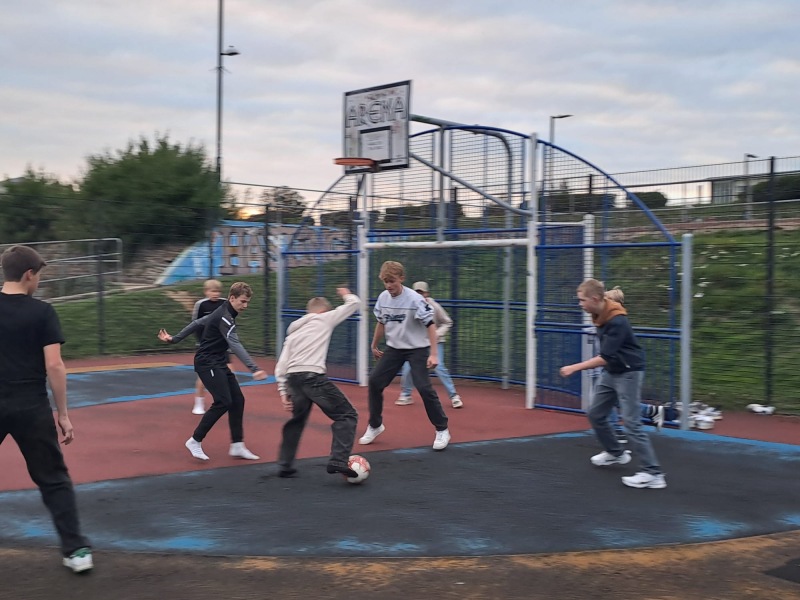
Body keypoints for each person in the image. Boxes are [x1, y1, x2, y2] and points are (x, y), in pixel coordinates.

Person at [0, 245, 92, 573]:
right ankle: (76, 551)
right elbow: (54, 366)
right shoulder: (42, 312)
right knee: (53, 479)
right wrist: (63, 414)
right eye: (39, 275)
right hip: (31, 407)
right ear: (29, 275)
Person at [559, 278, 666, 489]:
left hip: (629, 371)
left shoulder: (617, 321)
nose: (579, 304)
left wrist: (574, 367)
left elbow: (605, 356)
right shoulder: (599, 312)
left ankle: (653, 473)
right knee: (596, 413)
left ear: (595, 299)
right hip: (612, 371)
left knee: (631, 422)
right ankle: (616, 453)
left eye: (582, 300)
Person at [158, 281, 267, 462]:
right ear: (232, 298)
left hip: (217, 361)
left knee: (237, 400)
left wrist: (174, 339)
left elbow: (198, 322)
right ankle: (195, 440)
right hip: (207, 363)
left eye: (247, 302)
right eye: (242, 301)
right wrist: (254, 368)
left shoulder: (224, 309)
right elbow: (235, 344)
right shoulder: (225, 317)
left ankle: (237, 445)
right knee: (223, 401)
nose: (245, 306)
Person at [359, 261, 451, 451]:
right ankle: (375, 425)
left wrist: (434, 354)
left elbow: (431, 326)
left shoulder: (415, 300)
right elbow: (381, 323)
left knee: (424, 388)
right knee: (375, 382)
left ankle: (442, 429)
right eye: (385, 281)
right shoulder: (383, 298)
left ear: (401, 279)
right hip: (395, 349)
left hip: (417, 349)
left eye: (392, 281)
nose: (389, 285)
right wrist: (374, 344)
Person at [274, 287, 360, 479]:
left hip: (293, 380)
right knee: (347, 415)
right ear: (323, 311)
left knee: (297, 420)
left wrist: (283, 391)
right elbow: (354, 304)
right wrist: (346, 293)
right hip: (313, 378)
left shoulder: (293, 332)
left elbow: (281, 365)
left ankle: (285, 464)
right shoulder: (324, 318)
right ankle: (338, 460)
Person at [594, 287, 666, 441]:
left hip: (621, 367)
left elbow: (609, 351)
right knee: (615, 400)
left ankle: (616, 429)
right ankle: (649, 411)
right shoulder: (606, 321)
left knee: (619, 402)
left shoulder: (618, 322)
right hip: (612, 366)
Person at [396, 281, 463, 409]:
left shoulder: (434, 306)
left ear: (427, 293)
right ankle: (406, 394)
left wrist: (437, 333)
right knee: (408, 367)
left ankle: (454, 396)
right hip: (417, 344)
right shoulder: (409, 307)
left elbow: (447, 322)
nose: (419, 294)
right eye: (416, 292)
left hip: (435, 342)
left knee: (439, 367)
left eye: (421, 292)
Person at [190, 279, 226, 415]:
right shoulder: (201, 305)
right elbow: (195, 325)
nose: (215, 294)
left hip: (221, 345)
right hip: (205, 346)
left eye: (217, 291)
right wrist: (201, 343)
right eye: (212, 291)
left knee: (229, 373)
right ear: (206, 292)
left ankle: (226, 401)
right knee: (204, 375)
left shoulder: (224, 303)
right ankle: (198, 403)